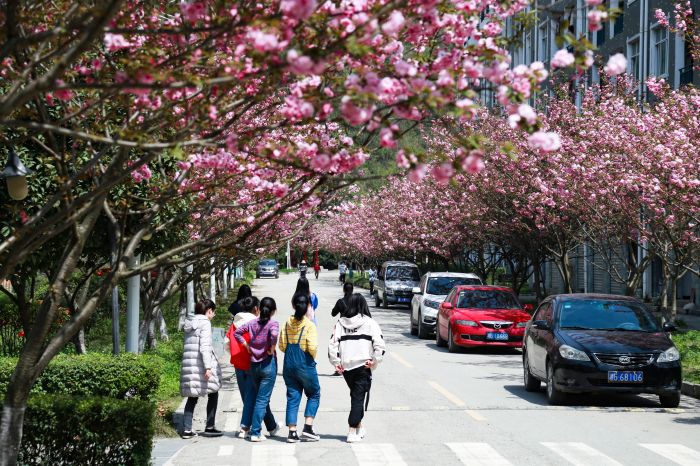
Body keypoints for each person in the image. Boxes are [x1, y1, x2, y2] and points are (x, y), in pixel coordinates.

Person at [328, 293, 386, 443]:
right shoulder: (370, 323)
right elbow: (380, 345)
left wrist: (336, 362)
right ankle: (352, 430)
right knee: (357, 398)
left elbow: (332, 345)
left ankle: (359, 427)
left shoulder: (340, 323)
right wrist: (375, 361)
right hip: (362, 367)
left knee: (356, 396)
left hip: (347, 369)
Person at [225, 297, 279, 439]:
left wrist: (247, 347)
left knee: (253, 397)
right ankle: (252, 430)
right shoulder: (271, 323)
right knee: (259, 399)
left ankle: (268, 427)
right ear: (256, 308)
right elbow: (274, 335)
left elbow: (230, 339)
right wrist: (272, 348)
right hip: (264, 363)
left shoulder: (240, 323)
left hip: (245, 363)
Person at [278, 293, 321, 443]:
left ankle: (292, 432)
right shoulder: (309, 325)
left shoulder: (286, 323)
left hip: (289, 364)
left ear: (293, 306)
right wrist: (310, 357)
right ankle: (308, 428)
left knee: (293, 396)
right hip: (305, 364)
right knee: (314, 393)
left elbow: (282, 346)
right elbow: (313, 347)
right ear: (308, 306)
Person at [180, 299, 223, 439]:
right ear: (209, 310)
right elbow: (205, 347)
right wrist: (208, 367)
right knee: (214, 392)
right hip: (201, 365)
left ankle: (187, 430)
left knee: (192, 396)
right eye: (213, 312)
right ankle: (209, 426)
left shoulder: (189, 323)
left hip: (190, 365)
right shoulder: (205, 323)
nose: (213, 315)